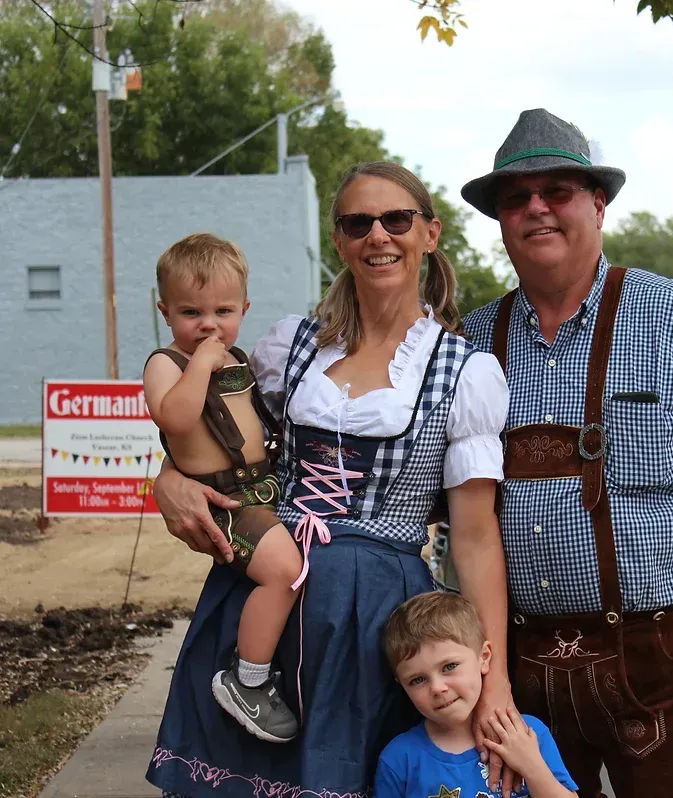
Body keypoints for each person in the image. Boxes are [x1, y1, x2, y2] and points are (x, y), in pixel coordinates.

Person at [458, 108, 673, 797]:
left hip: (664, 660)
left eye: (557, 191)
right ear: (500, 219)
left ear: (598, 203)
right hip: (518, 664)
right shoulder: (470, 343)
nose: (536, 208)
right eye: (515, 198)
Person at [146, 162, 515, 798]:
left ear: (429, 233)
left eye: (395, 219)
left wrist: (494, 680)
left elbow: (476, 540)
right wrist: (165, 478)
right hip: (262, 595)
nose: (378, 235)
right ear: (339, 241)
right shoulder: (288, 347)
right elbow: (211, 436)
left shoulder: (464, 371)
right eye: (357, 222)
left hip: (373, 620)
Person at [143, 233, 302, 743]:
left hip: (264, 489)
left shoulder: (240, 358)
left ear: (244, 309)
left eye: (223, 311)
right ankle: (247, 679)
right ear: (166, 312)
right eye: (192, 312)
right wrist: (202, 365)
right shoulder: (166, 364)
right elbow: (177, 418)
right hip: (224, 502)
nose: (208, 325)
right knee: (285, 572)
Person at [376, 591, 578, 798]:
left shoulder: (527, 734)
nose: (437, 688)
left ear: (484, 657)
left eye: (449, 666)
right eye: (417, 680)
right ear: (401, 683)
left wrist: (531, 765)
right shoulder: (399, 759)